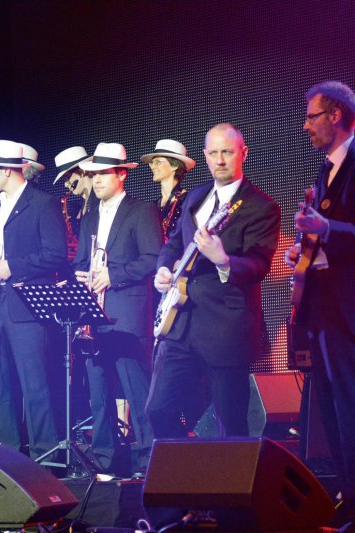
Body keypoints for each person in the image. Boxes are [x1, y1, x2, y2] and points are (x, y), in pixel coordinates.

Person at [146, 124, 280, 439]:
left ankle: (227, 473)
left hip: (226, 332)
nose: (220, 160)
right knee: (157, 411)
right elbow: (173, 244)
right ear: (205, 156)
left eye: (227, 152)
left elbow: (259, 264)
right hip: (181, 326)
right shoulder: (196, 196)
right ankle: (189, 467)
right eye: (214, 153)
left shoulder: (262, 206)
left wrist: (223, 261)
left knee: (231, 427)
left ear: (243, 154)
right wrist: (163, 270)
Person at [285, 81, 355, 526]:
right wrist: (304, 250)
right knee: (331, 408)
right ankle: (349, 496)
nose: (305, 125)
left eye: (312, 116)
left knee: (350, 406)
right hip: (324, 310)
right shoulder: (324, 168)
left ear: (335, 115)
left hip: (349, 311)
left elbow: (336, 229)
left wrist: (325, 230)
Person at [0, 139, 65, 457]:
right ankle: (7, 454)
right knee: (0, 386)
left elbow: (56, 254)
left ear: (8, 170)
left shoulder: (42, 203)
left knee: (34, 384)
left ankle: (44, 453)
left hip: (27, 308)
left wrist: (11, 267)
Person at [72, 142, 162, 475]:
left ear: (122, 175)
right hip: (95, 315)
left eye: (103, 173)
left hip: (127, 314)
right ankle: (105, 461)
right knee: (99, 394)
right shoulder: (89, 217)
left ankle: (149, 462)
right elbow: (81, 259)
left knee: (137, 391)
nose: (95, 180)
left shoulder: (141, 211)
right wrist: (82, 274)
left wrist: (114, 276)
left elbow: (153, 258)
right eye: (93, 174)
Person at [140, 139, 195, 240]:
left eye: (158, 162)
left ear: (175, 165)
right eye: (152, 162)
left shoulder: (187, 200)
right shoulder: (154, 205)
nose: (152, 166)